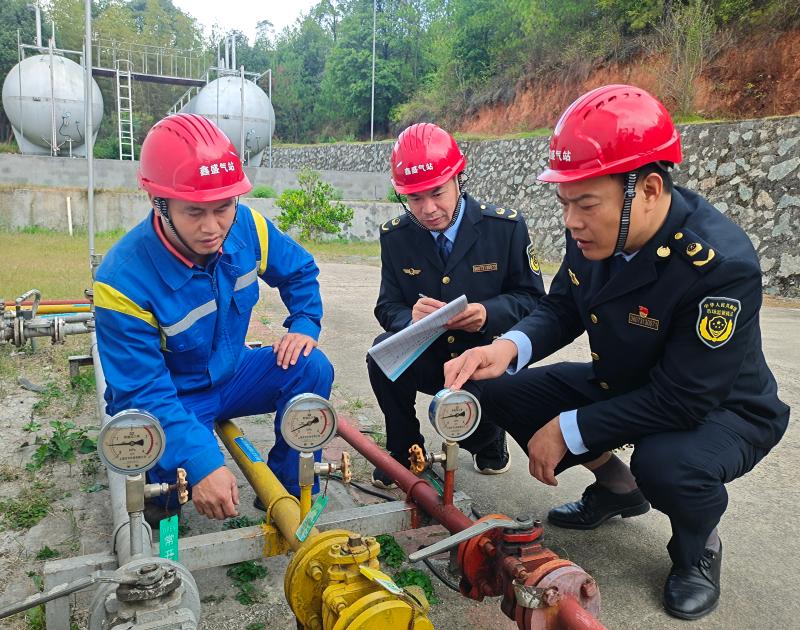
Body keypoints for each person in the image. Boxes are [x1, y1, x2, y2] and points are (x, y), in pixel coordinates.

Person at [443, 85, 789, 619]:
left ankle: (698, 546)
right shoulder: (601, 237)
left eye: (585, 203)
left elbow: (683, 399)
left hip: (720, 408)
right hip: (632, 385)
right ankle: (617, 489)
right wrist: (505, 348)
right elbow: (561, 308)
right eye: (564, 204)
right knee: (499, 388)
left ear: (647, 189)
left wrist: (566, 429)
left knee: (666, 462)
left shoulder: (718, 264)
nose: (572, 221)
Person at [94, 113, 334, 525]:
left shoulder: (247, 226)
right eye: (194, 213)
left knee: (311, 366)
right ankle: (161, 503)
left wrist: (304, 323)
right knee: (164, 494)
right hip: (171, 396)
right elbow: (143, 390)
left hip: (233, 373)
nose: (211, 227)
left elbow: (299, 271)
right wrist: (203, 461)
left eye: (223, 208)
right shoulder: (122, 280)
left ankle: (285, 487)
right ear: (159, 203)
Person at [369, 122, 545, 488]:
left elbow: (532, 300)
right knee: (379, 355)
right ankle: (404, 451)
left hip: (484, 359)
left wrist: (487, 314)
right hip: (428, 355)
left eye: (437, 193)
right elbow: (387, 305)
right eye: (415, 199)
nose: (428, 209)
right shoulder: (397, 237)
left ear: (458, 180)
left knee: (469, 434)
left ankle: (489, 438)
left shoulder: (505, 229)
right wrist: (408, 318)